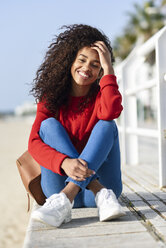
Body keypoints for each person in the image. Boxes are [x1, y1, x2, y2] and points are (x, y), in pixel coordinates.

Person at [28, 24, 125, 227]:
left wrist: (109, 69)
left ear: (100, 71)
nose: (86, 68)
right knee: (48, 126)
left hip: (96, 199)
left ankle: (69, 199)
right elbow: (34, 143)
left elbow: (111, 112)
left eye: (95, 65)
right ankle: (82, 193)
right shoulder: (51, 99)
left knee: (107, 125)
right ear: (70, 60)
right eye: (82, 60)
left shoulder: (100, 96)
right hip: (57, 186)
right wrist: (64, 162)